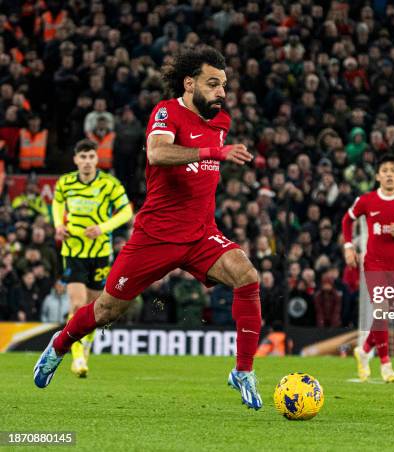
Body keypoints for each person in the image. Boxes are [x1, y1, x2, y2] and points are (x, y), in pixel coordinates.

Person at [34, 48, 264, 411]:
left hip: (202, 234)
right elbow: (157, 154)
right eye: (213, 83)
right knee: (106, 309)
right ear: (190, 84)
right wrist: (210, 153)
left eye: (224, 85)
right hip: (155, 237)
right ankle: (59, 346)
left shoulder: (222, 123)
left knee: (247, 275)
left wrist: (214, 151)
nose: (222, 92)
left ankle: (243, 371)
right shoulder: (165, 111)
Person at [342, 153, 394, 383]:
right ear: (378, 176)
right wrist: (348, 246)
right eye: (385, 170)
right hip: (374, 264)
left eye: (393, 170)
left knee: (385, 314)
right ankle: (386, 364)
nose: (389, 174)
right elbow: (346, 220)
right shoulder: (367, 200)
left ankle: (364, 349)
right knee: (380, 308)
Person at [52, 138, 133, 377]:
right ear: (76, 159)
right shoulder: (65, 183)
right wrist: (58, 225)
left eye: (91, 157)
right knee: (77, 305)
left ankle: (84, 348)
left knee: (95, 310)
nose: (87, 162)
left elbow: (127, 212)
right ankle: (76, 358)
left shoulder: (109, 184)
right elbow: (57, 205)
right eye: (83, 157)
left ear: (97, 159)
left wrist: (103, 227)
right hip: (74, 251)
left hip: (99, 254)